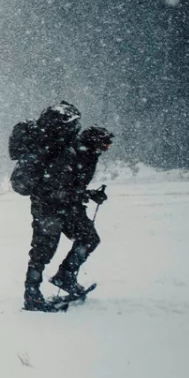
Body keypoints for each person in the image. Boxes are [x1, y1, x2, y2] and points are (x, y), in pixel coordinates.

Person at [23, 104, 113, 310]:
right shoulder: (68, 154)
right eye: (103, 145)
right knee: (43, 249)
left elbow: (71, 187)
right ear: (93, 142)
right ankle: (31, 294)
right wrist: (84, 194)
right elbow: (57, 186)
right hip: (48, 207)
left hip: (68, 207)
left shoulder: (87, 156)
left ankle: (66, 276)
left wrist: (89, 194)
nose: (104, 149)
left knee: (89, 238)